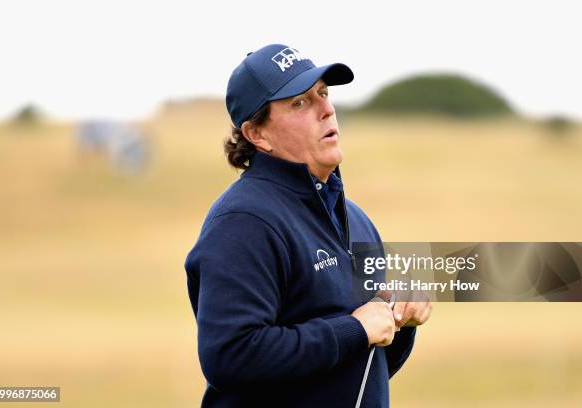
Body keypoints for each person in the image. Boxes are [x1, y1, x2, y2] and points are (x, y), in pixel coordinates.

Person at [184, 44, 432, 408]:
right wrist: (355, 329)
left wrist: (399, 320)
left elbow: (366, 366)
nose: (327, 109)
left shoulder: (356, 220)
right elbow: (231, 355)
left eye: (323, 94)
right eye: (300, 103)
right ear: (257, 134)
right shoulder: (244, 222)